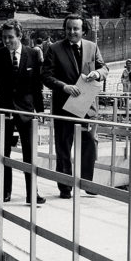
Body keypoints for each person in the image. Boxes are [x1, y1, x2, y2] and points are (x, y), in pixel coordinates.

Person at [41, 13, 109, 199]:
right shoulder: (54, 49)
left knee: (89, 146)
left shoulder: (92, 47)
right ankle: (65, 186)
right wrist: (64, 86)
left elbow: (105, 68)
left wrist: (97, 73)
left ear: (83, 30)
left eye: (76, 28)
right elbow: (46, 76)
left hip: (86, 107)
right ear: (65, 29)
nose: (72, 32)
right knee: (63, 147)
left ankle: (87, 183)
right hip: (64, 106)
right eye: (69, 28)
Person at [0, 20, 45, 205]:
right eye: (4, 38)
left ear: (19, 36)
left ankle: (32, 192)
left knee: (29, 153)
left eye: (10, 37)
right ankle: (6, 192)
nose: (7, 41)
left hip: (26, 111)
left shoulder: (33, 54)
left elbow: (36, 86)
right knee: (5, 153)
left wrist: (40, 110)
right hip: (4, 111)